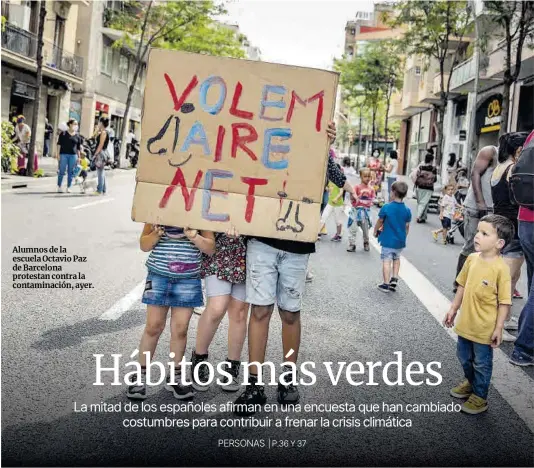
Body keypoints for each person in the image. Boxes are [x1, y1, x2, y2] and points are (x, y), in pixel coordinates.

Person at [233, 122, 355, 415]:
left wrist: (325, 145)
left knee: (290, 313)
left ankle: (287, 379)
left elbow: (336, 177)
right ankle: (254, 384)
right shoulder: (263, 141)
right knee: (260, 310)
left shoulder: (318, 149)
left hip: (297, 243)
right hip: (262, 239)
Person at [127, 225, 215, 400]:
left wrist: (194, 236)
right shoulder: (159, 211)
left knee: (180, 330)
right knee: (153, 327)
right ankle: (140, 375)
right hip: (158, 275)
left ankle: (175, 376)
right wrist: (157, 233)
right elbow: (144, 245)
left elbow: (210, 248)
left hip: (188, 278)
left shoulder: (200, 212)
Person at [444, 214, 513, 414]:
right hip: (466, 323)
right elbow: (462, 286)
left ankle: (480, 396)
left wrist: (499, 327)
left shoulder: (501, 269)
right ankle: (471, 382)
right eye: (477, 232)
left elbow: (504, 302)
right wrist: (453, 309)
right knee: (463, 357)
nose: (477, 236)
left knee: (482, 363)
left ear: (499, 243)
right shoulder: (472, 259)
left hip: (484, 328)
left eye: (484, 233)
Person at [191, 227, 248, 392]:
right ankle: (199, 358)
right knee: (216, 308)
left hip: (247, 249)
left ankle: (232, 365)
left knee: (239, 312)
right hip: (219, 247)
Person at [490, 132, 529, 334]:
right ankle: (499, 325)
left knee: (509, 279)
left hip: (501, 225)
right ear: (519, 150)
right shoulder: (513, 169)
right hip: (512, 228)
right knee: (507, 280)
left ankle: (504, 319)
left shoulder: (499, 168)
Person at [453, 145, 498, 292]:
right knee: (471, 246)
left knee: (491, 249)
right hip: (476, 208)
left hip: (496, 210)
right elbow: (475, 173)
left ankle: (480, 284)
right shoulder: (490, 151)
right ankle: (459, 282)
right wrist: (480, 202)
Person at [510, 129, 534, 367]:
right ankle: (524, 348)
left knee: (532, 282)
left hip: (525, 218)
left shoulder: (532, 136)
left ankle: (526, 338)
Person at [374, 181, 412, 293]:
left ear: (393, 193)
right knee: (396, 258)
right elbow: (407, 226)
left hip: (388, 240)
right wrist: (404, 236)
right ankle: (394, 278)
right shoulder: (407, 210)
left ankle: (386, 284)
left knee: (387, 260)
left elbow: (380, 221)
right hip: (400, 241)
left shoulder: (386, 207)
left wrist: (375, 230)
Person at [347, 168, 375, 252]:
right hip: (356, 211)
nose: (367, 178)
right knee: (352, 228)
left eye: (369, 176)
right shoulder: (356, 187)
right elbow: (351, 197)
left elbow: (372, 199)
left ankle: (366, 242)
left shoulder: (371, 189)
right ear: (361, 177)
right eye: (365, 176)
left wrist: (371, 202)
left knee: (365, 230)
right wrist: (354, 196)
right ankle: (352, 244)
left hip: (365, 212)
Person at [56, 119, 81, 193]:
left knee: (71, 172)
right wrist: (57, 154)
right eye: (75, 124)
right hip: (63, 154)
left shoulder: (77, 136)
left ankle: (68, 187)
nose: (76, 126)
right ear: (70, 124)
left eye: (77, 124)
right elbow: (59, 144)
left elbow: (78, 148)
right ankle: (59, 186)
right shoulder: (63, 134)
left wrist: (79, 157)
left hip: (73, 155)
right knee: (62, 171)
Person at [414, 152, 438, 223]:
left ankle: (423, 217)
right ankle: (418, 216)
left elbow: (416, 175)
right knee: (424, 202)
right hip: (429, 188)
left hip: (420, 186)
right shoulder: (433, 169)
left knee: (422, 202)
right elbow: (435, 179)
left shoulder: (421, 167)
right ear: (431, 160)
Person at [93, 118, 110, 195]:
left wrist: (95, 153)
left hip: (101, 153)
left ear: (102, 123)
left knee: (100, 171)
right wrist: (97, 130)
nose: (98, 123)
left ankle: (99, 190)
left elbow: (101, 145)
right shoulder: (102, 132)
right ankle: (103, 189)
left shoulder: (103, 132)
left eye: (99, 122)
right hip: (102, 152)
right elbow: (94, 136)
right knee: (101, 171)